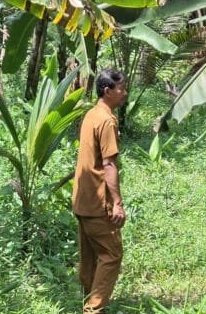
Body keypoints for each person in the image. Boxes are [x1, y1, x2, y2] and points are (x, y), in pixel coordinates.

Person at [72, 69, 128, 314]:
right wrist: (117, 202)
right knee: (111, 254)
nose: (124, 93)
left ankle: (90, 302)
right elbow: (108, 163)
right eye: (121, 89)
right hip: (97, 200)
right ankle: (93, 309)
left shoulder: (91, 115)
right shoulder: (106, 120)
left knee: (90, 258)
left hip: (82, 200)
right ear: (108, 91)